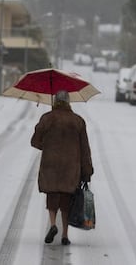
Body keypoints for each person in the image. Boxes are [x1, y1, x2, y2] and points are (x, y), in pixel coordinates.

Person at [31, 90, 94, 246]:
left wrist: (47, 145)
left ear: (55, 101)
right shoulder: (78, 121)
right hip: (71, 167)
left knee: (52, 197)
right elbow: (85, 149)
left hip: (50, 164)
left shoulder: (47, 118)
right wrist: (87, 170)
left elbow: (35, 141)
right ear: (68, 102)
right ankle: (65, 235)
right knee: (66, 201)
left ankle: (53, 225)